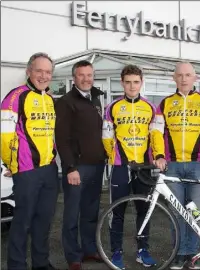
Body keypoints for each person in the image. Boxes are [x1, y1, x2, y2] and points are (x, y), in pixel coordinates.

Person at [153, 61, 200, 270]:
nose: (184, 79)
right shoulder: (165, 104)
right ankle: (179, 254)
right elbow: (156, 132)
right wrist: (159, 155)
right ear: (174, 78)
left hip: (198, 164)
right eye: (180, 75)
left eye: (188, 75)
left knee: (193, 212)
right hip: (173, 165)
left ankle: (192, 255)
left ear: (195, 78)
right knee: (177, 213)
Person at [102, 64, 168, 269]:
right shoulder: (112, 107)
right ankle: (116, 252)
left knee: (144, 210)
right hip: (121, 167)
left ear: (141, 82)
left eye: (136, 82)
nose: (132, 86)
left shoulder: (150, 107)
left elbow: (156, 135)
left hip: (144, 167)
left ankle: (143, 250)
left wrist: (159, 155)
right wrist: (114, 157)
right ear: (122, 83)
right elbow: (107, 137)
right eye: (128, 82)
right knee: (117, 212)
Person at [1, 52, 60, 270]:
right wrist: (13, 165)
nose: (43, 76)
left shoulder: (50, 99)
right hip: (26, 170)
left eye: (48, 72)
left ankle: (41, 263)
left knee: (43, 221)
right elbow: (4, 136)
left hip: (49, 169)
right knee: (22, 222)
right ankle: (16, 266)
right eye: (39, 71)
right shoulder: (15, 97)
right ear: (29, 71)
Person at [55, 60, 107, 270]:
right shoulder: (67, 102)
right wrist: (70, 167)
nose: (86, 79)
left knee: (90, 211)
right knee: (72, 213)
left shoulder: (96, 98)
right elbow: (62, 138)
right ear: (74, 78)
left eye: (89, 75)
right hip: (77, 168)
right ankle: (73, 256)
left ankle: (89, 250)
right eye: (82, 75)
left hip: (97, 166)